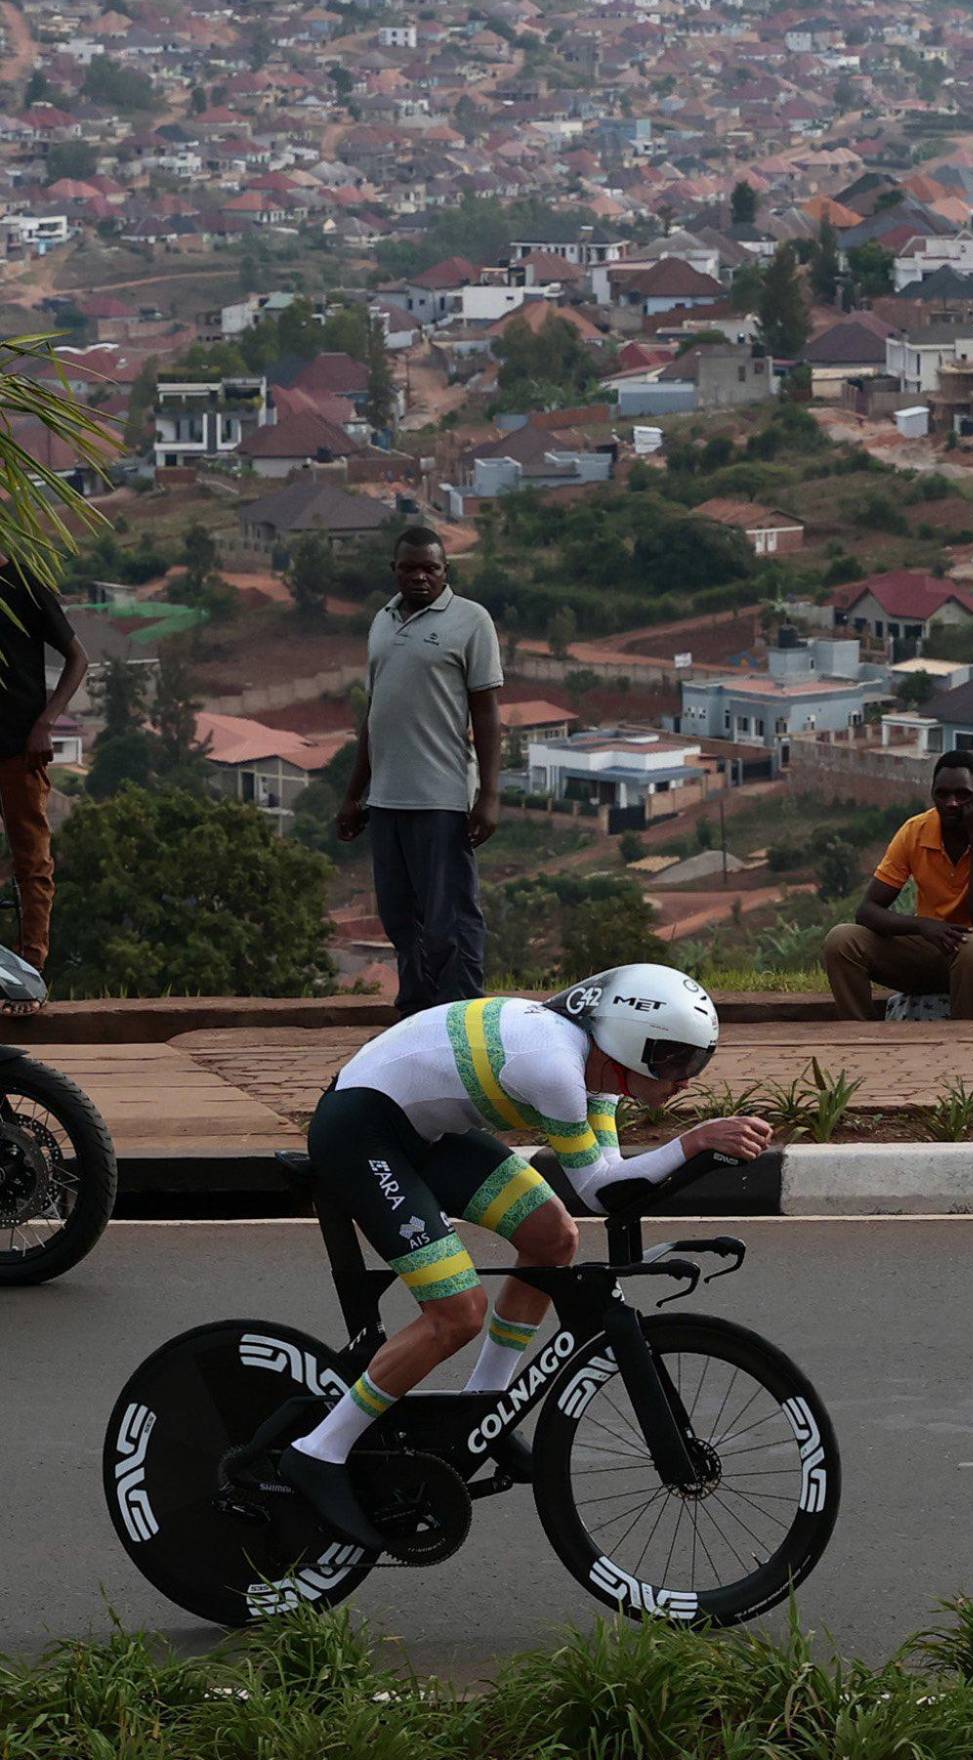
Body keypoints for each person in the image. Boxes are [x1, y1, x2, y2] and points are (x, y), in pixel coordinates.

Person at [278, 963, 771, 1549]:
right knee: (457, 1313)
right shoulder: (555, 1067)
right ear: (627, 1044)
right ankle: (318, 1451)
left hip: (423, 1132)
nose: (685, 1080)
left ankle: (481, 1407)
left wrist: (694, 1151)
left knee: (552, 1239)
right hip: (361, 1130)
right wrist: (693, 1142)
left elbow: (611, 1180)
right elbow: (601, 1191)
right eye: (675, 1061)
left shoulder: (597, 1072)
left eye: (696, 1063)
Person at [338, 527, 503, 1015]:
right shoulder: (382, 621)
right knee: (400, 918)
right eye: (409, 567)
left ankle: (461, 1016)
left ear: (445, 571)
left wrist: (490, 795)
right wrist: (353, 794)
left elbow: (487, 713)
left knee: (450, 917)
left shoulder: (471, 621)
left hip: (441, 797)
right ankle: (416, 1012)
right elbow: (375, 715)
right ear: (394, 570)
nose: (419, 576)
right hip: (386, 800)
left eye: (430, 568)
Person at [823, 749, 973, 1021]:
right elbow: (867, 911)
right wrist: (922, 926)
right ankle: (861, 1033)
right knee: (842, 939)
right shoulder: (915, 830)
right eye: (942, 794)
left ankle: (964, 1038)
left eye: (963, 794)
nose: (951, 803)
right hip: (934, 949)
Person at [0, 557, 88, 1006]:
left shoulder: (22, 584)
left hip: (20, 747)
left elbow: (78, 658)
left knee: (32, 858)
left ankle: (29, 970)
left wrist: (45, 723)